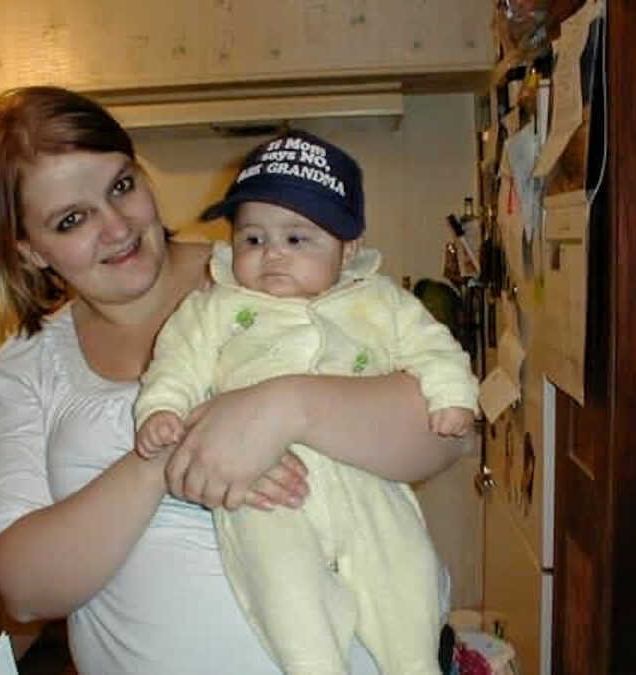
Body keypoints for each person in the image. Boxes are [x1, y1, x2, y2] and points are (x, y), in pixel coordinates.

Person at [0, 86, 468, 675]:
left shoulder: (272, 264)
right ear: (28, 251)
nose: (117, 227)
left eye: (122, 186)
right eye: (72, 219)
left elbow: (445, 435)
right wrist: (178, 454)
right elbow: (24, 588)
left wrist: (285, 408)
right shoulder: (25, 372)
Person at [135, 130, 478, 675]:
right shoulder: (215, 308)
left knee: (404, 576)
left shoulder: (381, 301)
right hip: (268, 493)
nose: (272, 254)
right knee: (285, 592)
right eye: (252, 239)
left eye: (298, 240)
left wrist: (452, 394)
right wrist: (160, 409)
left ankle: (416, 666)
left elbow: (433, 347)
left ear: (349, 248)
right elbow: (176, 362)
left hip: (367, 480)